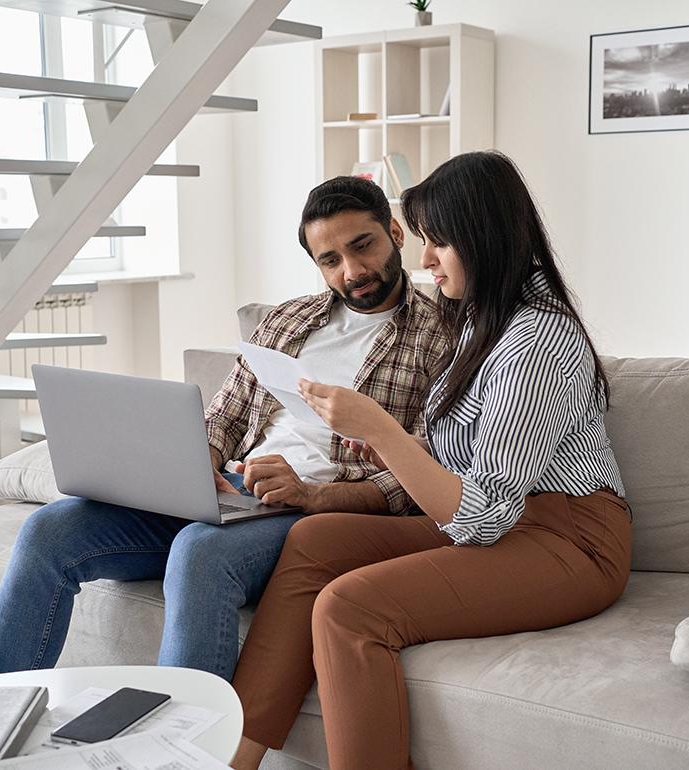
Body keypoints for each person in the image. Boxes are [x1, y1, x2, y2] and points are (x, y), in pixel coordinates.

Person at [228, 151, 633, 770]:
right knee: (313, 541)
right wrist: (382, 445)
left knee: (349, 607)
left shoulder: (538, 341)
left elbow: (482, 519)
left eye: (438, 243)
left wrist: (382, 431)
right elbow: (462, 456)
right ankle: (235, 758)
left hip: (569, 541)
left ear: (483, 239)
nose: (423, 261)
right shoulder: (483, 322)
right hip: (511, 521)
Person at [0, 176, 450, 681]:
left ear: (396, 233)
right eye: (330, 260)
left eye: (363, 246)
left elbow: (418, 476)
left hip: (315, 513)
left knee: (199, 552)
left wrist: (310, 495)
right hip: (232, 491)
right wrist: (193, 462)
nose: (352, 271)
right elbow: (222, 418)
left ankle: (188, 752)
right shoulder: (288, 320)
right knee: (49, 530)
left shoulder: (443, 336)